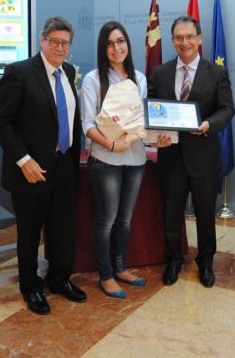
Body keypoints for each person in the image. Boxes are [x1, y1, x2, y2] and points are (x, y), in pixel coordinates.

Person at [0, 16, 86, 315]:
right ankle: (31, 287)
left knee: (62, 229)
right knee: (30, 233)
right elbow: (0, 122)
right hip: (31, 170)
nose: (60, 48)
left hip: (65, 165)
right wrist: (24, 160)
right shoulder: (19, 73)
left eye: (65, 43)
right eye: (54, 41)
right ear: (42, 40)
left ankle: (59, 279)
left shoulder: (68, 71)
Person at [148, 15, 235, 288]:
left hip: (204, 157)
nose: (184, 42)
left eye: (189, 37)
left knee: (205, 214)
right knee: (171, 213)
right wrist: (154, 138)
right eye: (178, 38)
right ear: (172, 40)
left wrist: (209, 124)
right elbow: (151, 109)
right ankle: (174, 260)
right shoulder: (160, 73)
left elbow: (227, 109)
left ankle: (206, 263)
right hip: (171, 157)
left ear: (200, 39)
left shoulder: (216, 72)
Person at [80, 21, 148, 298]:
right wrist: (111, 144)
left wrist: (158, 137)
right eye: (109, 43)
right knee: (106, 220)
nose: (116, 47)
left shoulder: (139, 79)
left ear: (127, 44)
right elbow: (86, 123)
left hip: (136, 158)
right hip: (105, 159)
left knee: (125, 219)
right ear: (102, 48)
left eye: (120, 41)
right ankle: (106, 275)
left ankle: (120, 267)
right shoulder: (93, 79)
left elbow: (142, 121)